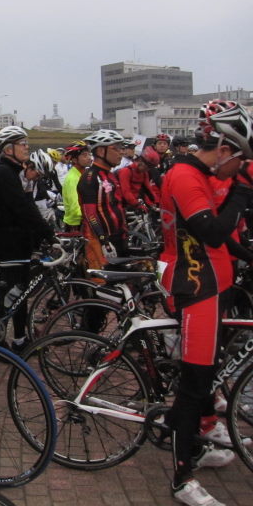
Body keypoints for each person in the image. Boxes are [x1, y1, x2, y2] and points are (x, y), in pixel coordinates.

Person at [159, 101, 253, 506]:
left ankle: (196, 441)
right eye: (242, 160)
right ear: (226, 150)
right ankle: (182, 480)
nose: (240, 170)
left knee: (207, 380)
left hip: (216, 286)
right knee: (193, 388)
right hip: (197, 289)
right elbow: (212, 232)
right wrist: (244, 194)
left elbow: (225, 239)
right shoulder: (183, 174)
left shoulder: (202, 172)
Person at [0, 126, 55, 352]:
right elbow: (22, 208)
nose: (27, 148)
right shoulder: (5, 172)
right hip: (9, 241)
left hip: (17, 240)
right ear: (8, 148)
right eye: (23, 144)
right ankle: (0, 341)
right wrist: (48, 234)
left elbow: (27, 207)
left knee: (18, 291)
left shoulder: (13, 172)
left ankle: (19, 339)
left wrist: (41, 233)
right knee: (13, 292)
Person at [78, 129, 128, 272]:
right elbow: (90, 215)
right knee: (103, 287)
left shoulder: (110, 175)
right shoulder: (90, 178)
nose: (121, 152)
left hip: (117, 238)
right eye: (117, 148)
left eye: (122, 148)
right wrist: (103, 240)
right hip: (99, 242)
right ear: (100, 151)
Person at [116, 146, 160, 212]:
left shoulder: (144, 173)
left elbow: (148, 190)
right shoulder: (126, 171)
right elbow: (126, 192)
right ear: (140, 161)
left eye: (150, 168)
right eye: (146, 167)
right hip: (122, 204)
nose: (147, 169)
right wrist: (138, 205)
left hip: (135, 202)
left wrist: (156, 203)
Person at [61, 141, 91, 232]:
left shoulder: (82, 174)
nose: (89, 158)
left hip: (84, 221)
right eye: (85, 155)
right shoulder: (72, 178)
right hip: (76, 225)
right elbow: (75, 208)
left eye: (89, 154)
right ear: (74, 160)